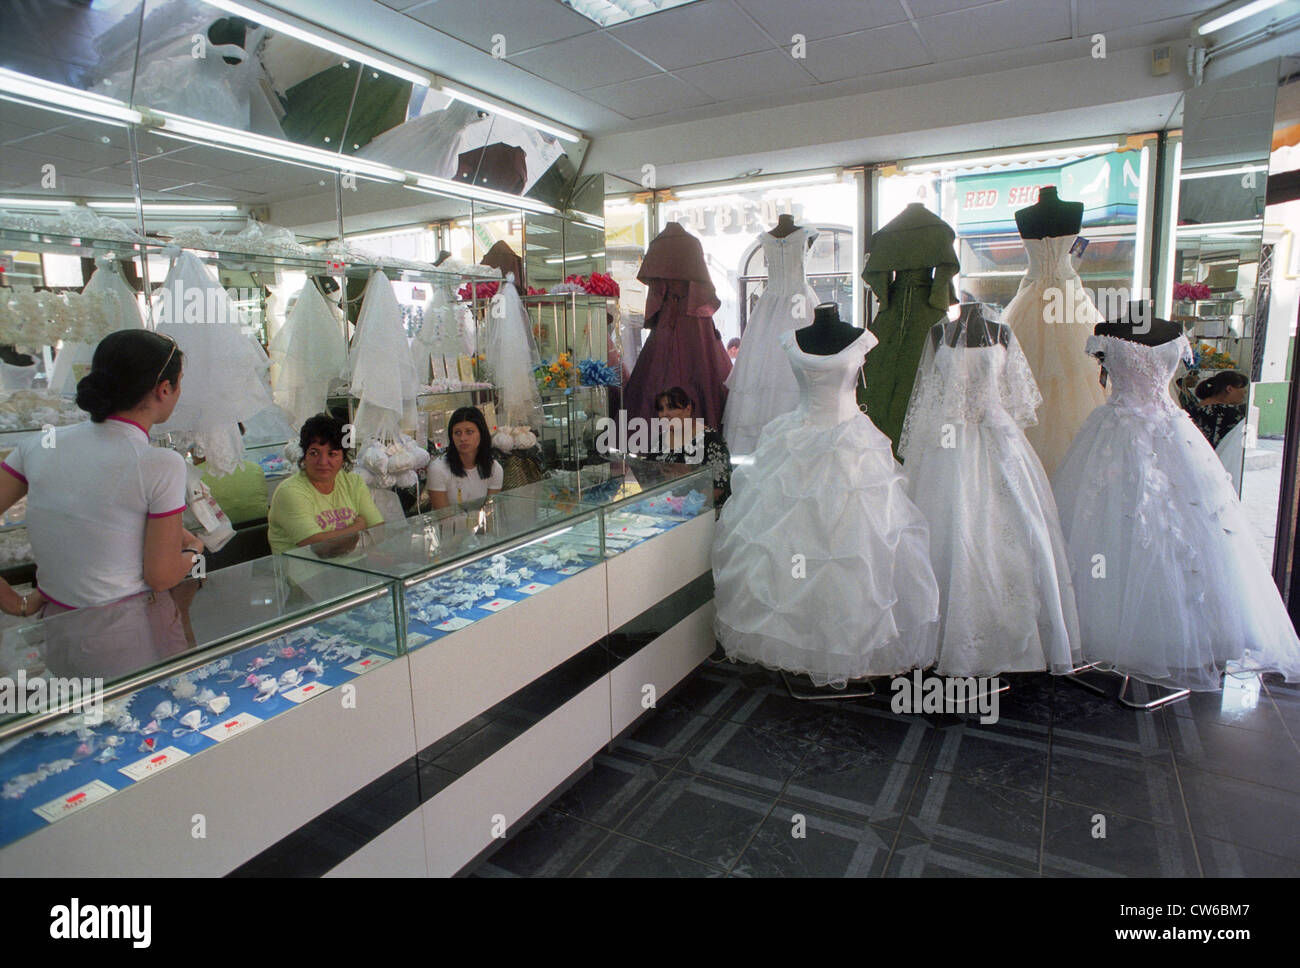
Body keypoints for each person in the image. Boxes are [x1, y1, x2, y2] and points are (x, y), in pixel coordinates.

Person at [0, 329, 203, 613]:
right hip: (125, 624)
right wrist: (195, 551)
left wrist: (17, 603)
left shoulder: (38, 444)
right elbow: (161, 575)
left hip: (56, 619)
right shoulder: (160, 463)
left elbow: (102, 517)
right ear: (164, 389)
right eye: (180, 383)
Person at [268, 413, 384, 553]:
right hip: (308, 573)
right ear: (304, 456)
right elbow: (319, 546)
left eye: (332, 454)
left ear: (343, 457)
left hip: (354, 565)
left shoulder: (353, 482)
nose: (323, 462)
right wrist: (358, 527)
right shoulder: (290, 492)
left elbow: (378, 530)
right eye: (314, 453)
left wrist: (339, 538)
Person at [648, 386, 732, 505]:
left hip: (702, 511)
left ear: (687, 409)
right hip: (666, 508)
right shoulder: (660, 440)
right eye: (661, 409)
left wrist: (688, 507)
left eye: (671, 408)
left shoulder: (710, 439)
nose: (664, 414)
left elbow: (719, 485)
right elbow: (648, 477)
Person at [425, 406, 502, 509]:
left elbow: (490, 512)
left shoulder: (495, 469)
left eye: (469, 432)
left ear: (481, 433)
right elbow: (443, 517)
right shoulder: (438, 469)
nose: (463, 438)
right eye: (457, 433)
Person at [1190, 370, 1248, 448]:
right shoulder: (1229, 414)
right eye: (1242, 387)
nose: (1245, 391)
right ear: (1229, 389)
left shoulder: (1196, 408)